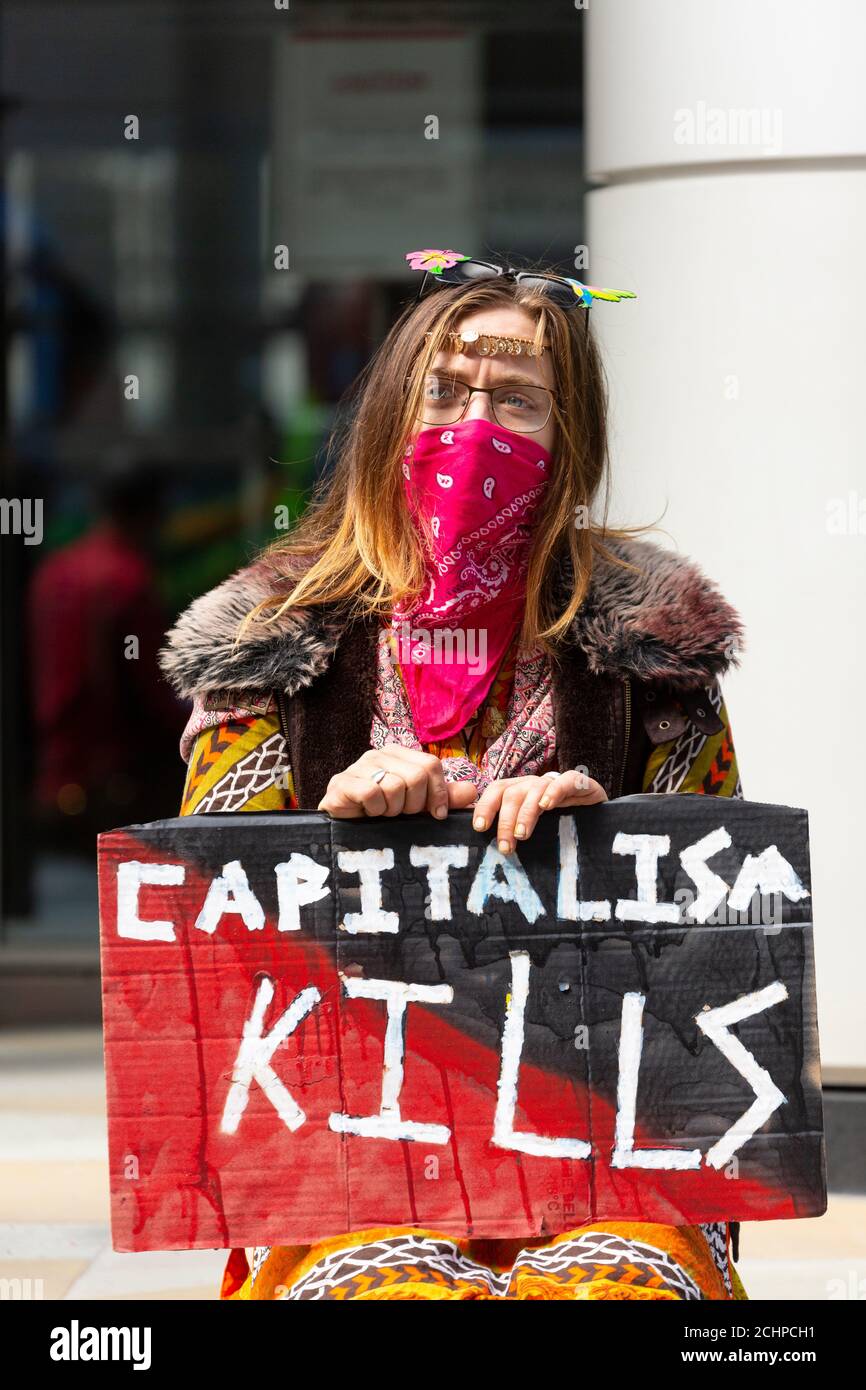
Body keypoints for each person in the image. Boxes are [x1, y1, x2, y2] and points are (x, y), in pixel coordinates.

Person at [159, 249, 748, 1301]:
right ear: (390, 412)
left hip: (598, 1154)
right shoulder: (267, 642)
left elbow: (728, 933)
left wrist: (612, 834)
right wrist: (329, 825)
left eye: (516, 399)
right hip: (345, 1150)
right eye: (442, 390)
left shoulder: (651, 647)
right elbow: (207, 938)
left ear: (568, 443)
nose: (472, 423)